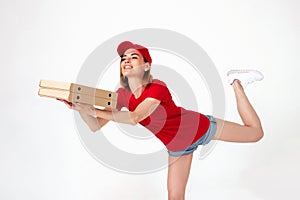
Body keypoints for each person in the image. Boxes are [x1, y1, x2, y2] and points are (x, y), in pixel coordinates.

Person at [58, 41, 264, 200]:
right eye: (123, 59)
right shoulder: (121, 95)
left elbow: (135, 116)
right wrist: (82, 108)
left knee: (255, 134)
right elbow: (95, 125)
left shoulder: (157, 87)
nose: (126, 61)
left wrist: (94, 111)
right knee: (175, 197)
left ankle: (236, 83)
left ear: (147, 65)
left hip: (197, 128)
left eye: (134, 57)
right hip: (176, 147)